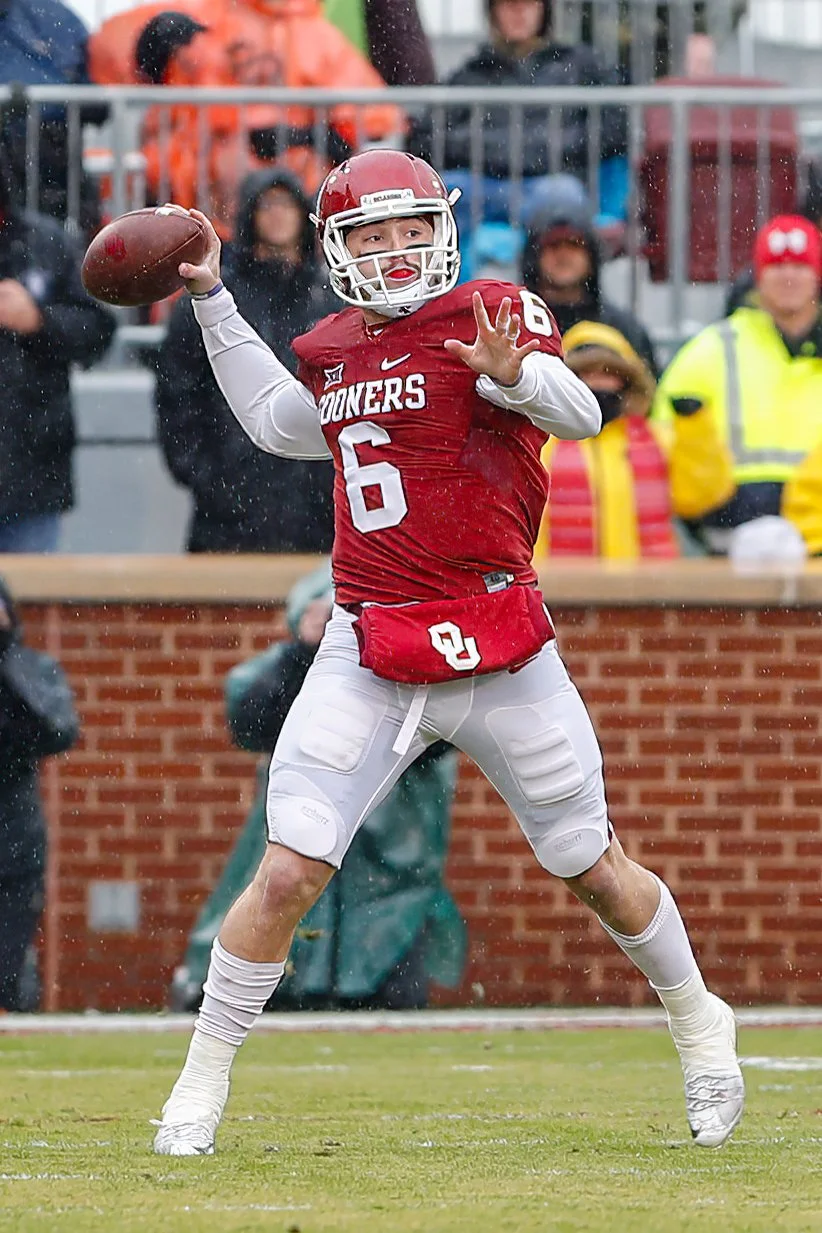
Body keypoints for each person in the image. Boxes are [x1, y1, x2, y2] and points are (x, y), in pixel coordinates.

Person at [151, 148, 744, 1157]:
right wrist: (211, 296)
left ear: (444, 230)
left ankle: (700, 1023)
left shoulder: (490, 317)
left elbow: (582, 411)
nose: (394, 250)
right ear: (340, 251)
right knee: (290, 865)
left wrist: (516, 378)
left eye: (410, 229)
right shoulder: (334, 346)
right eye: (371, 235)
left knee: (591, 866)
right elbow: (275, 421)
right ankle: (199, 1089)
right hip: (373, 639)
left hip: (500, 639)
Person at [170, 562, 466, 1012]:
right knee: (282, 939)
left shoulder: (413, 666)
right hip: (302, 847)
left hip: (390, 865)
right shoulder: (284, 669)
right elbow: (252, 723)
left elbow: (439, 738)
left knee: (390, 993)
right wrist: (307, 651)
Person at [154, 168, 336, 552]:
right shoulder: (209, 297)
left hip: (316, 510)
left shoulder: (331, 298)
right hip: (228, 511)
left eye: (287, 204)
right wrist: (205, 475)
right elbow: (176, 391)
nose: (278, 214)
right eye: (267, 204)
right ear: (249, 214)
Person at [127, 0, 404, 239]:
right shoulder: (206, 24)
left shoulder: (316, 37)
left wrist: (301, 137)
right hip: (209, 211)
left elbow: (373, 124)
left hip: (298, 213)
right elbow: (164, 112)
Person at [654, 214, 822, 556]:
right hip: (729, 538)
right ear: (758, 277)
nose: (788, 276)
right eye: (776, 266)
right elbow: (662, 433)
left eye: (800, 266)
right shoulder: (712, 348)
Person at [409, 0, 627, 234]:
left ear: (544, 10)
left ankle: (539, 269)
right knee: (445, 199)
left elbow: (614, 127)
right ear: (493, 12)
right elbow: (427, 138)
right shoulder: (473, 74)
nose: (518, 13)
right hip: (484, 184)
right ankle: (454, 270)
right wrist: (513, 149)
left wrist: (547, 149)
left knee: (563, 199)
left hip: (552, 182)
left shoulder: (578, 66)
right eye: (508, 4)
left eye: (528, 4)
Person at [534, 320, 734, 559]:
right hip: (557, 591)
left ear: (627, 382)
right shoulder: (540, 442)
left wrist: (695, 429)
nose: (598, 384)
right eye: (586, 374)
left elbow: (702, 496)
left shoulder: (657, 438)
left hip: (647, 591)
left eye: (608, 373)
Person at [0, 146, 116, 553]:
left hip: (30, 473)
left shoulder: (46, 242)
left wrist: (39, 322)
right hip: (32, 466)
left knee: (31, 607)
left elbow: (98, 330)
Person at [0, 577, 79, 1011]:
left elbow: (56, 731)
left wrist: (3, 655)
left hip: (13, 828)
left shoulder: (30, 667)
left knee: (8, 959)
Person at [0, 0, 105, 236]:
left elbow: (96, 97)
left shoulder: (53, 19)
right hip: (35, 167)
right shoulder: (53, 18)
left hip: (55, 165)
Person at [522, 196, 658, 375]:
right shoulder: (514, 323)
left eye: (574, 245)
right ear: (535, 257)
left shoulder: (624, 329)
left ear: (591, 255)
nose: (563, 255)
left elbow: (646, 393)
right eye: (553, 245)